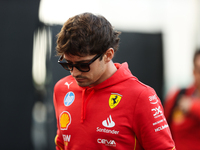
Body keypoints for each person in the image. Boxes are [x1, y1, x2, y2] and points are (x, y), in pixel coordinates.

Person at [53, 12, 176, 150]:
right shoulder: (62, 89)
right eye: (68, 64)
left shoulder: (141, 96)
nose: (74, 73)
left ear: (108, 55)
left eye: (83, 65)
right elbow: (62, 145)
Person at [164, 49, 200, 150]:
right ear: (194, 72)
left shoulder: (188, 103)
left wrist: (192, 106)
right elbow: (162, 129)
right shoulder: (179, 96)